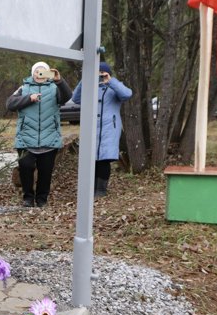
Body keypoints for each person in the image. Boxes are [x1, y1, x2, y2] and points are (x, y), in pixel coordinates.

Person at [7, 61, 72, 207]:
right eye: (37, 72)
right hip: (25, 138)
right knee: (25, 168)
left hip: (49, 138)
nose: (40, 75)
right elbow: (10, 104)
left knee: (45, 172)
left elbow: (67, 96)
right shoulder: (24, 88)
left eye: (44, 72)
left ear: (49, 74)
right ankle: (28, 198)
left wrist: (59, 81)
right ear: (33, 73)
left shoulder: (55, 88)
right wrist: (29, 98)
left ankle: (42, 199)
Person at [72, 61, 133, 197]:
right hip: (91, 128)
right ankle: (91, 189)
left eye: (101, 73)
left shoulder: (114, 86)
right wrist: (85, 79)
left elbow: (127, 94)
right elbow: (75, 99)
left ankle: (101, 190)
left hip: (109, 129)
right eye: (97, 74)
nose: (99, 76)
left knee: (104, 159)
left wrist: (110, 81)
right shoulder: (89, 87)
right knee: (91, 159)